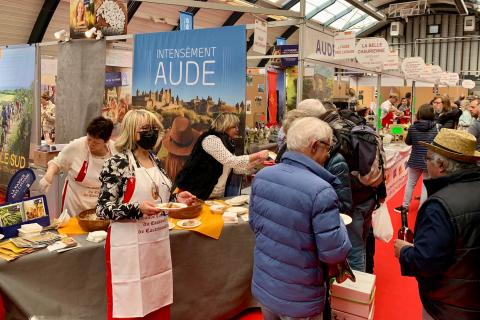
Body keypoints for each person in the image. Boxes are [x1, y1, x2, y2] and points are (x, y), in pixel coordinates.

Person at [96, 109, 196, 320]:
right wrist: (136, 208)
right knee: (129, 304)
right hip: (128, 248)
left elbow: (160, 201)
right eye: (145, 129)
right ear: (132, 132)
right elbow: (103, 209)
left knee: (156, 299)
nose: (151, 133)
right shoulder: (118, 164)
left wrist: (177, 201)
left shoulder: (155, 159)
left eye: (154, 128)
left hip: (155, 244)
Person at [249, 117, 351, 320]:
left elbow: (254, 224)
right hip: (300, 293)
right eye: (328, 148)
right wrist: (339, 223)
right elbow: (333, 251)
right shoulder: (320, 190)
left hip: (267, 283)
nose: (328, 154)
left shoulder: (263, 177)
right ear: (314, 146)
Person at [394, 128, 480, 320]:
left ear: (440, 164)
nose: (426, 164)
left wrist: (404, 252)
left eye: (427, 160)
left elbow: (426, 262)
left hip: (449, 305)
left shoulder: (439, 206)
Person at [175, 113, 268, 200]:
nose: (237, 129)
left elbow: (234, 168)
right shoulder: (211, 139)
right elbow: (231, 161)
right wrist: (257, 155)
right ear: (225, 126)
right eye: (234, 127)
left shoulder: (227, 142)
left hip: (214, 195)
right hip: (196, 192)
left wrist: (255, 164)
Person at [39, 116, 115, 216]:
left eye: (96, 142)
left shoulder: (115, 151)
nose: (91, 144)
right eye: (89, 139)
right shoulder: (77, 146)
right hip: (75, 203)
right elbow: (57, 163)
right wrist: (48, 176)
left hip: (100, 205)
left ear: (106, 141)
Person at [394, 104, 438, 214]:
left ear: (419, 113)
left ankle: (405, 206)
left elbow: (408, 142)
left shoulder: (413, 127)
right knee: (425, 185)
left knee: (410, 183)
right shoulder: (435, 127)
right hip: (429, 160)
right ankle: (422, 209)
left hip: (415, 159)